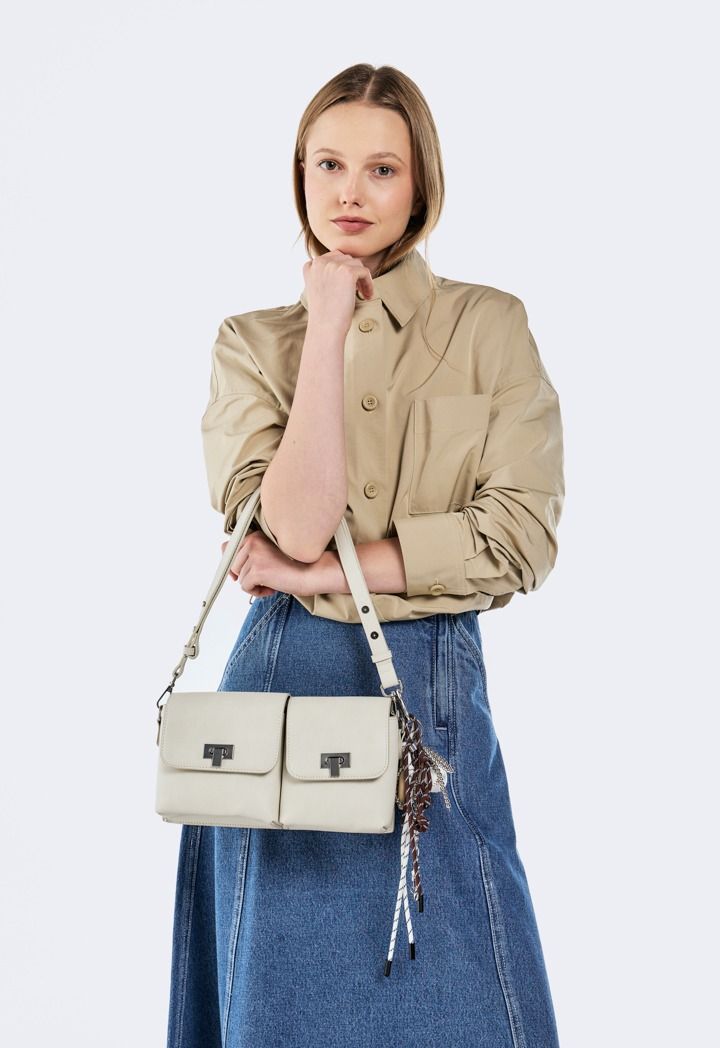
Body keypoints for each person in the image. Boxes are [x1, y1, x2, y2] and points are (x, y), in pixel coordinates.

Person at [165, 63, 565, 1048]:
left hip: (432, 692)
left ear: (421, 183)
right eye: (328, 165)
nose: (350, 191)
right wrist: (327, 325)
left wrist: (322, 576)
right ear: (298, 176)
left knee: (478, 997)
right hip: (279, 702)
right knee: (280, 1007)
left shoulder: (488, 326)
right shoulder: (252, 343)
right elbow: (294, 527)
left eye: (382, 168)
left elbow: (519, 538)